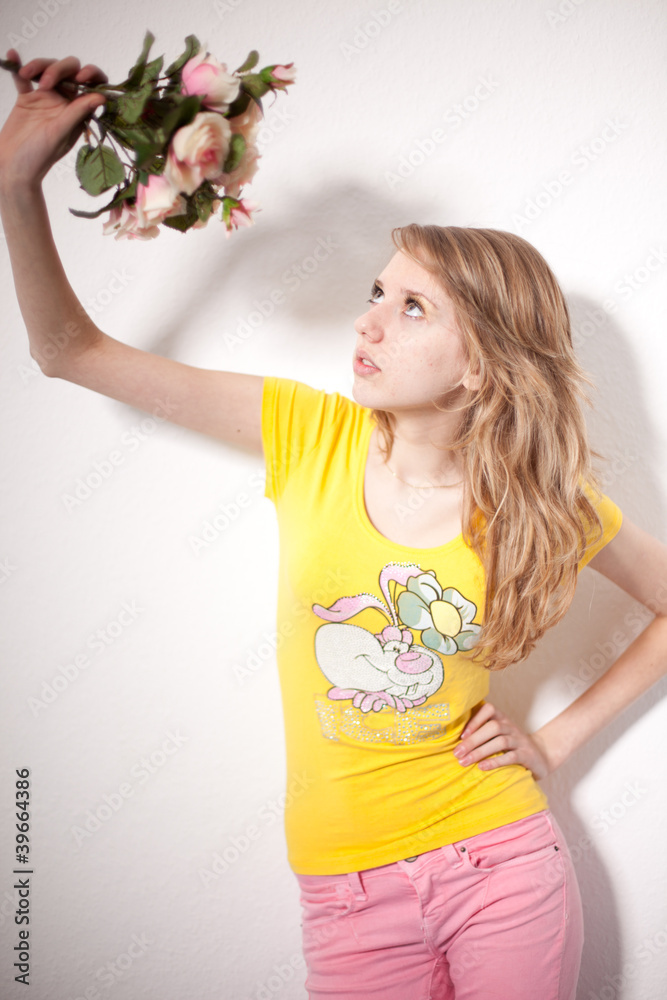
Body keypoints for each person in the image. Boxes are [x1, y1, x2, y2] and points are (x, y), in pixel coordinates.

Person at [2, 52, 667, 1000]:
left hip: (497, 862)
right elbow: (68, 351)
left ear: (481, 365)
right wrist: (16, 185)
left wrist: (556, 743)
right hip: (345, 898)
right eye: (374, 294)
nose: (368, 324)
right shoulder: (306, 432)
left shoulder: (539, 500)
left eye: (411, 307)